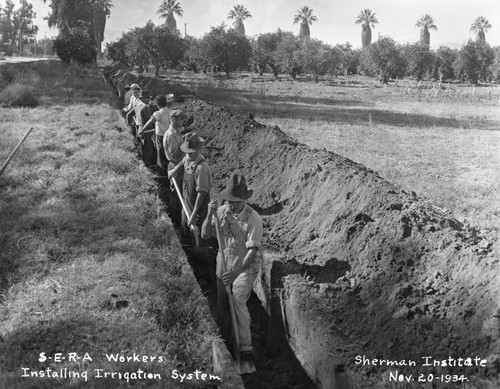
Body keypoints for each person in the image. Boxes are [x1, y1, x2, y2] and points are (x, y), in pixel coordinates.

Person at [201, 171, 263, 362]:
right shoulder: (220, 212)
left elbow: (251, 252)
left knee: (237, 302)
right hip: (222, 264)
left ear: (244, 199)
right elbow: (205, 234)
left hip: (243, 267)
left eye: (236, 201)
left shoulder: (254, 219)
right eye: (229, 200)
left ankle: (245, 348)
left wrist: (235, 273)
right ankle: (227, 343)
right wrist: (210, 213)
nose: (232, 204)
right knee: (222, 306)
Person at [163, 109, 188, 226]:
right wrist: (186, 146)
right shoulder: (171, 135)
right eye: (181, 119)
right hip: (176, 165)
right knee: (176, 194)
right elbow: (175, 154)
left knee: (179, 193)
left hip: (179, 165)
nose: (183, 121)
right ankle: (174, 219)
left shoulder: (176, 132)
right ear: (173, 119)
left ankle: (176, 217)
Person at [142, 94, 174, 176]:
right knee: (169, 156)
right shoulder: (171, 112)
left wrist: (142, 130)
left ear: (157, 104)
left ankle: (164, 176)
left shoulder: (158, 113)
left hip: (161, 138)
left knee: (161, 157)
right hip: (171, 137)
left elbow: (151, 121)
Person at [133, 90, 157, 167]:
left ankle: (143, 160)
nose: (148, 100)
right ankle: (147, 163)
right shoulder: (146, 107)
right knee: (148, 147)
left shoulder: (136, 106)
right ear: (142, 98)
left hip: (138, 129)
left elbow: (129, 115)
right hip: (146, 130)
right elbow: (148, 121)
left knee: (142, 146)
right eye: (147, 98)